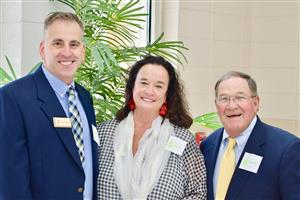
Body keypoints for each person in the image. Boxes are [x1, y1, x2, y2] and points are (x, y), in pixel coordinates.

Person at [0, 12, 99, 200]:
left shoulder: (85, 98)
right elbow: (10, 183)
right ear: (43, 49)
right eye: (58, 43)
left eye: (74, 44)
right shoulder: (12, 98)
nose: (67, 52)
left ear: (83, 52)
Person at [97, 55, 207, 199]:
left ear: (167, 94)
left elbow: (198, 193)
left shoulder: (184, 140)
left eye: (159, 86)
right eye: (143, 83)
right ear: (132, 86)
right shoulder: (103, 133)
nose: (149, 91)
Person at [201, 71, 300, 200]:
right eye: (224, 99)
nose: (231, 106)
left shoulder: (286, 149)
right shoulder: (208, 145)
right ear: (216, 105)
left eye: (240, 97)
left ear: (255, 103)